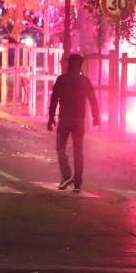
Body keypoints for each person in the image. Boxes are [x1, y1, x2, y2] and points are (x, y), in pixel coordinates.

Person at [48, 54, 101, 193]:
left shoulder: (62, 79)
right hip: (79, 121)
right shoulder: (85, 81)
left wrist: (51, 117)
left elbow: (54, 99)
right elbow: (93, 100)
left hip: (65, 119)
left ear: (70, 64)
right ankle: (77, 183)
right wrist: (96, 117)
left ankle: (66, 176)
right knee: (78, 151)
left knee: (61, 149)